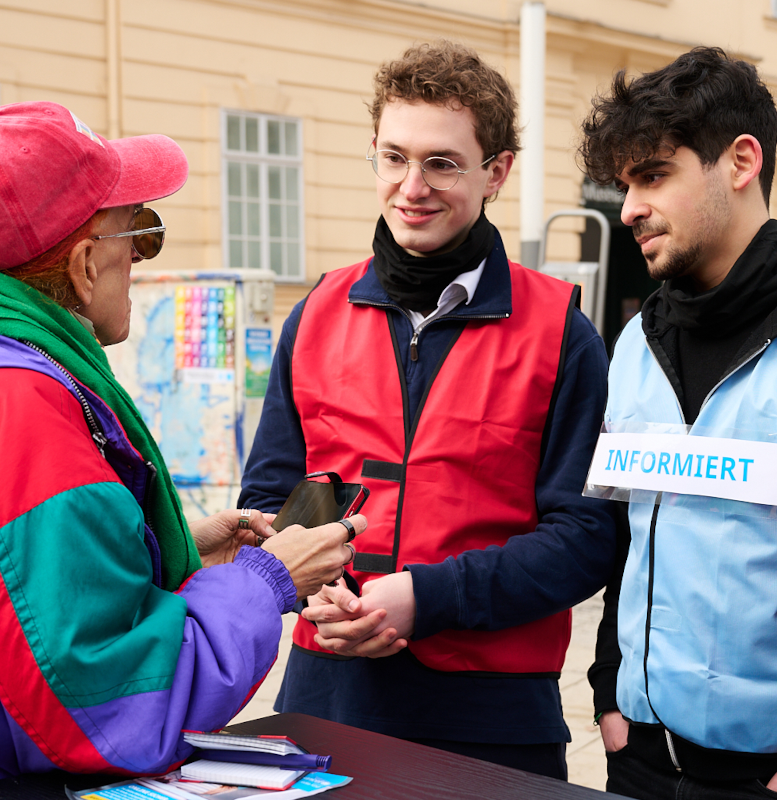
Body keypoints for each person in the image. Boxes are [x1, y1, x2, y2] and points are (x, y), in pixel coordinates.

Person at [0, 101, 360, 800]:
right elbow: (113, 708)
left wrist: (154, 549)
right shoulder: (19, 412)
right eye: (140, 233)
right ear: (83, 265)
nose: (140, 257)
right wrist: (266, 579)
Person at [235, 40, 616, 780]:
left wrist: (427, 598)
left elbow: (586, 539)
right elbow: (269, 497)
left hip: (493, 718)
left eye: (442, 163)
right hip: (325, 697)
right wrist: (316, 593)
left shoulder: (562, 334)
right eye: (394, 158)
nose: (412, 187)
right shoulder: (313, 314)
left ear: (496, 172)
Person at [576, 46, 777, 799]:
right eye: (625, 184)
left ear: (740, 162)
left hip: (772, 775)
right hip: (636, 756)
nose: (628, 208)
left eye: (653, 176)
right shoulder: (634, 342)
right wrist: (609, 691)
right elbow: (631, 532)